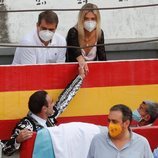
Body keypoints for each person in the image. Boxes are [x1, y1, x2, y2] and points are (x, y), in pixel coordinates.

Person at [2, 66, 85, 156]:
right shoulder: (26, 126)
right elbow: (5, 150)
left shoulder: (49, 117)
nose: (54, 105)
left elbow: (64, 100)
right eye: (51, 102)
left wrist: (80, 77)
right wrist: (17, 140)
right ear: (44, 109)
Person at [87, 104, 153, 158]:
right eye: (109, 121)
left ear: (126, 123)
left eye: (114, 122)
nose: (110, 125)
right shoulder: (97, 140)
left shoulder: (141, 143)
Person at [66, 3, 106, 74]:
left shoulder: (99, 33)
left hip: (93, 72)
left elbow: (103, 59)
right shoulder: (73, 32)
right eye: (86, 19)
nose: (90, 21)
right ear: (81, 19)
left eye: (93, 19)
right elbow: (79, 58)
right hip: (73, 73)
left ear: (97, 20)